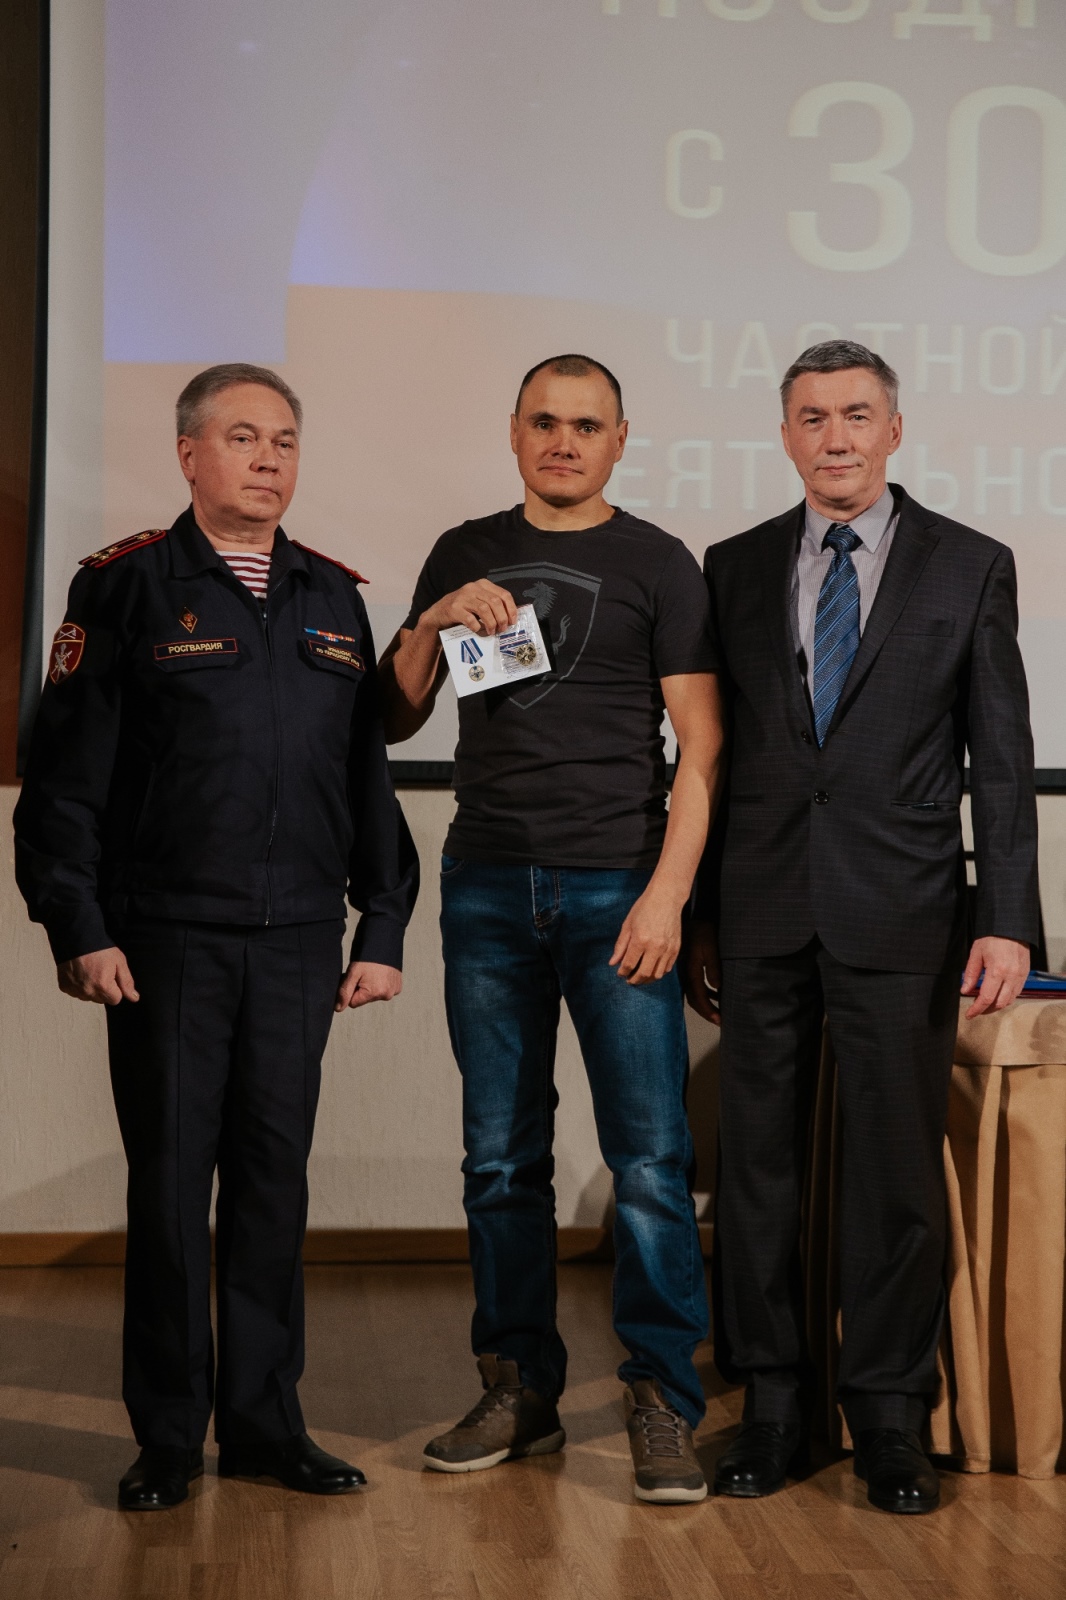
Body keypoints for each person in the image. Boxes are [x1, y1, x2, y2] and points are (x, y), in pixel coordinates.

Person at [15, 363, 419, 1510]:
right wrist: (80, 926)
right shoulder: (126, 586)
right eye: (243, 437)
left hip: (298, 941)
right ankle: (166, 1435)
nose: (267, 458)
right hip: (168, 942)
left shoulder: (333, 594)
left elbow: (363, 779)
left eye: (284, 439)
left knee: (272, 1187)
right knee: (170, 1190)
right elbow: (63, 781)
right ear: (189, 453)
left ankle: (264, 1424)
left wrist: (383, 922)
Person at [685, 340, 1039, 1514]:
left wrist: (1008, 918)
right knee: (756, 1172)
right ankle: (773, 1404)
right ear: (784, 434)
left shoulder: (969, 564)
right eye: (810, 416)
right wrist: (699, 913)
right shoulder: (732, 565)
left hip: (905, 910)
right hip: (760, 907)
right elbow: (715, 754)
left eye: (853, 414)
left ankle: (887, 1414)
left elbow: (1001, 758)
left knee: (893, 1173)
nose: (832, 437)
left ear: (893, 429)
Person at [379, 353, 724, 1504]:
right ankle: (518, 1385)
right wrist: (431, 617)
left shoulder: (658, 561)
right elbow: (393, 713)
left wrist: (668, 894)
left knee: (650, 1162)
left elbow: (703, 746)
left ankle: (662, 1399)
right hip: (485, 886)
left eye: (586, 423)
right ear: (514, 432)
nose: (563, 440)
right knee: (499, 1160)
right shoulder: (463, 548)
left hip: (618, 887)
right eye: (544, 421)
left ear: (619, 439)